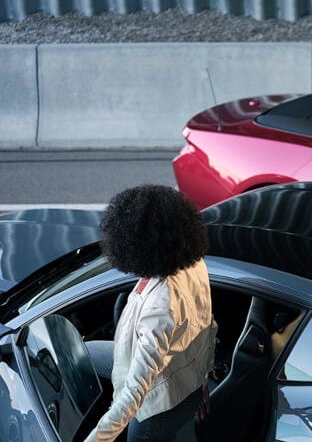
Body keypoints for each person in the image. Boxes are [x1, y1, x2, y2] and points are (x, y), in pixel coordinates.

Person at [86, 184, 217, 442]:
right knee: (83, 354)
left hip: (153, 412)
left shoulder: (160, 307)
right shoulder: (192, 262)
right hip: (186, 379)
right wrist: (202, 383)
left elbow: (136, 392)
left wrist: (96, 439)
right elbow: (208, 326)